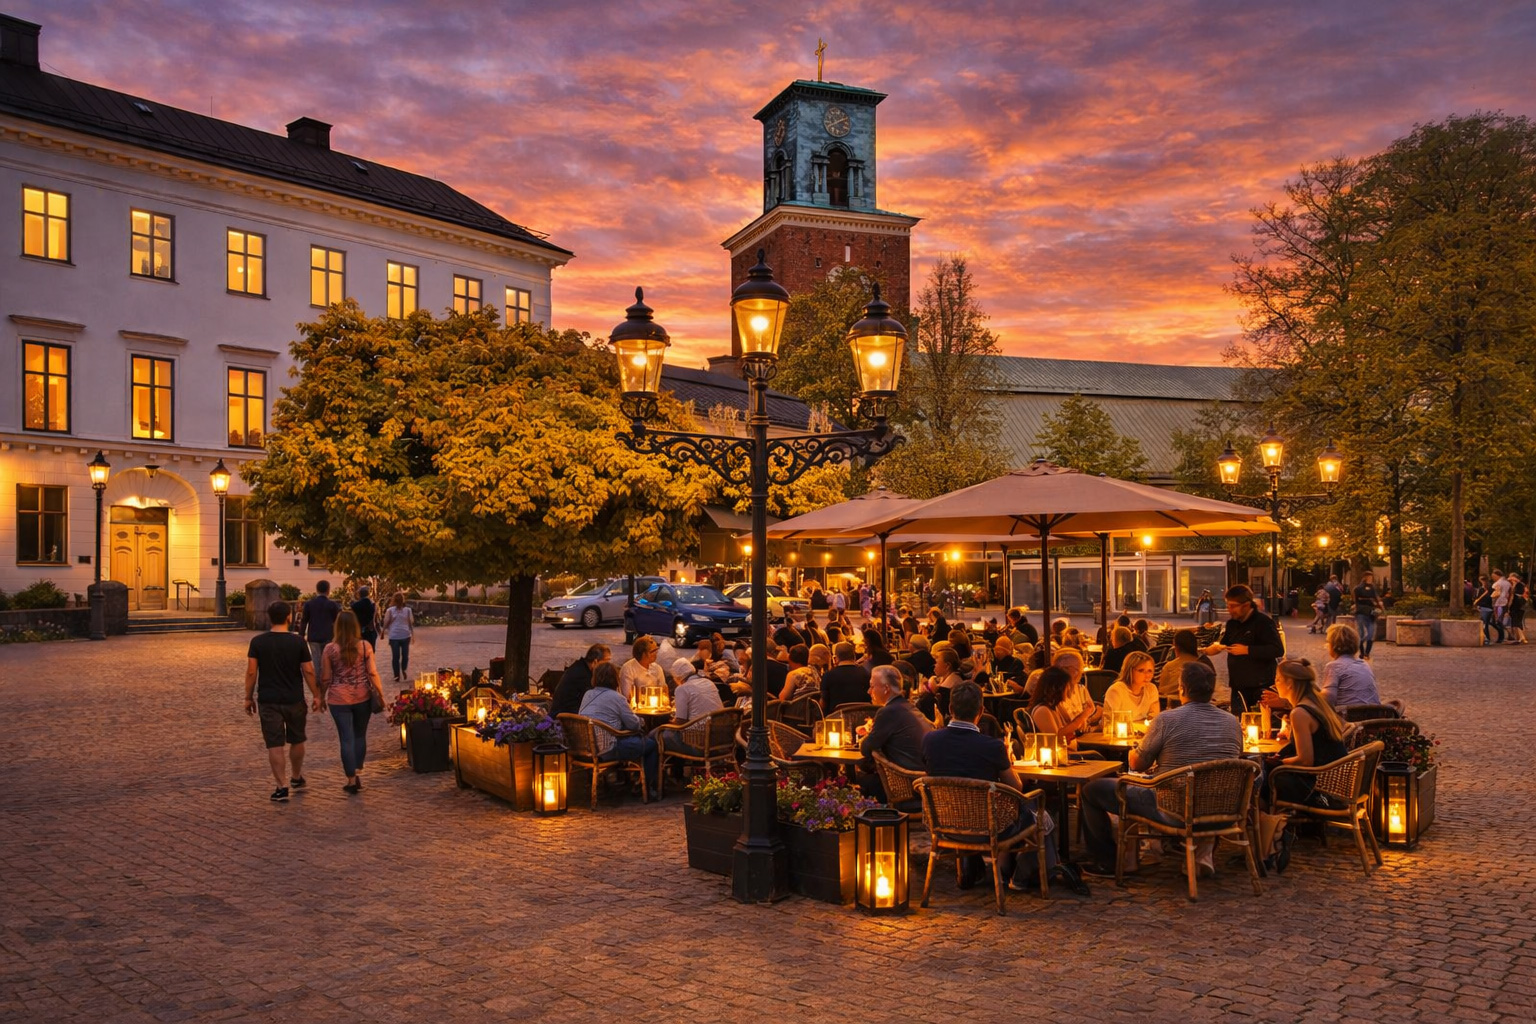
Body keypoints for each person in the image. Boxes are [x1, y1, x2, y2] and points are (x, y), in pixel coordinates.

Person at [1078, 661, 1241, 878]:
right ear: (1211, 689)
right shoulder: (1232, 723)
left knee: (1092, 790)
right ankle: (1189, 855)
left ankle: (1108, 861)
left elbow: (1137, 764)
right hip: (1225, 811)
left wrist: (1135, 750)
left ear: (1181, 689)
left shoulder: (1167, 719)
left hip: (1175, 810)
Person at [923, 681, 1073, 893]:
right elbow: (1016, 788)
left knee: (1015, 808)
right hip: (989, 827)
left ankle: (1001, 869)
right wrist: (1006, 761)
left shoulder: (930, 740)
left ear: (950, 709)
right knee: (1039, 812)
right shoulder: (991, 746)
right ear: (981, 711)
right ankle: (1023, 876)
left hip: (943, 824)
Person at [243, 600, 321, 802]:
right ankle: (296, 776)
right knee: (297, 739)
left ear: (269, 617)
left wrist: (247, 697)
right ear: (289, 617)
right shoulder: (298, 642)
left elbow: (252, 672)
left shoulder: (258, 642)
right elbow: (308, 670)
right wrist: (317, 695)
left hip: (268, 700)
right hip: (294, 698)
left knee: (274, 744)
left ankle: (281, 786)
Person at [1267, 658, 1349, 805]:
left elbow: (1305, 761)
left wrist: (1280, 762)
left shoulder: (1299, 713)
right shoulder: (1317, 702)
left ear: (1290, 683)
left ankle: (1272, 824)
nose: (1274, 684)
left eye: (1278, 679)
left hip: (1322, 791)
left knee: (1263, 778)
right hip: (1337, 782)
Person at [319, 609, 382, 794]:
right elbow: (372, 672)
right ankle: (357, 768)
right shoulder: (365, 646)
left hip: (338, 699)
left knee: (346, 738)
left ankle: (351, 779)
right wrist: (380, 693)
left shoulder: (330, 649)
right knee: (360, 735)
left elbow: (325, 678)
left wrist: (321, 697)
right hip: (362, 696)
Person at [578, 662, 659, 799]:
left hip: (584, 746)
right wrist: (642, 721)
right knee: (652, 744)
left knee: (628, 739)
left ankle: (624, 779)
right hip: (606, 748)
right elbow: (633, 725)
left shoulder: (588, 694)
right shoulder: (617, 698)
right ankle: (646, 786)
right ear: (615, 679)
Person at [854, 665, 933, 801]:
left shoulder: (888, 712)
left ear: (886, 689)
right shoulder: (906, 706)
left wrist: (867, 736)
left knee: (858, 777)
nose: (868, 691)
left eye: (872, 686)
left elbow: (865, 748)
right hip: (924, 778)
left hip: (908, 785)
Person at [1203, 584, 1284, 714]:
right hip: (1238, 685)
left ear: (1246, 605)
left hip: (1260, 685)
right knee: (1238, 721)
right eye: (1228, 605)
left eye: (1233, 606)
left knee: (1259, 722)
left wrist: (1248, 650)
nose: (1229, 609)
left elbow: (1277, 649)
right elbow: (1225, 644)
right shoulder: (1232, 623)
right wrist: (1215, 648)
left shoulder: (1263, 622)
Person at [1318, 623, 1382, 708]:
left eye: (1328, 643)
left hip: (1349, 715)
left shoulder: (1334, 666)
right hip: (1373, 713)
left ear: (1334, 646)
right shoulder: (1364, 664)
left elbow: (1328, 699)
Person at [552, 643, 610, 717]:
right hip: (566, 717)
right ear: (595, 662)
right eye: (606, 662)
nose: (608, 666)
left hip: (568, 712)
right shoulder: (582, 675)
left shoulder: (581, 667)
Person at [1158, 628, 1213, 706]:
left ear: (1176, 647)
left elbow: (1162, 691)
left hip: (1174, 706)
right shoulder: (1205, 665)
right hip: (1201, 707)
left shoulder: (1169, 666)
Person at [297, 580, 340, 672]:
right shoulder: (332, 604)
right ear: (328, 590)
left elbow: (304, 621)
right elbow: (337, 621)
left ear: (317, 590)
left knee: (317, 663)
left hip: (313, 636)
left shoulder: (309, 604)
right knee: (328, 662)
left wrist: (301, 635)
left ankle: (318, 682)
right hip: (328, 636)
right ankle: (327, 680)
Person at [1103, 650, 1160, 720]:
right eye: (1141, 671)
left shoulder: (1151, 689)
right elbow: (1108, 722)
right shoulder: (1116, 691)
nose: (1147, 675)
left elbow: (1154, 718)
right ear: (1129, 671)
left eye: (1150, 671)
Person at [821, 641, 871, 711]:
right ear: (854, 656)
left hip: (836, 719)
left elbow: (823, 704)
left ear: (835, 659)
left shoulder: (828, 676)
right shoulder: (865, 673)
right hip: (863, 717)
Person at [380, 592, 415, 683]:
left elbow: (386, 622)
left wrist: (383, 631)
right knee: (405, 655)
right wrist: (412, 634)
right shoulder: (407, 610)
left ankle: (397, 675)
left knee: (395, 656)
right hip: (404, 635)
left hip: (395, 636)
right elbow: (411, 622)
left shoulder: (390, 610)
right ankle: (403, 669)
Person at [1352, 570, 1384, 658]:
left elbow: (1376, 597)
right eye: (1369, 577)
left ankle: (1367, 653)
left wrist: (1379, 603)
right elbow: (1357, 600)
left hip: (1371, 613)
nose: (1371, 579)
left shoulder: (1372, 588)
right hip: (1362, 613)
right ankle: (1362, 652)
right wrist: (1371, 601)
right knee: (1361, 634)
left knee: (1370, 634)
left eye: (1371, 577)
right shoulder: (1358, 588)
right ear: (1365, 578)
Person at [1475, 576, 1504, 645]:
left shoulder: (1488, 589)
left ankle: (1487, 639)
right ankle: (1499, 636)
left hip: (1486, 608)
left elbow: (1492, 598)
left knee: (1485, 624)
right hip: (1485, 607)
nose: (1483, 582)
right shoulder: (1483, 589)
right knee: (1489, 623)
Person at [351, 585, 378, 650]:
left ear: (359, 594)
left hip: (359, 630)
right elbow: (375, 618)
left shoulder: (355, 605)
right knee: (370, 650)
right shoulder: (373, 605)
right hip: (370, 630)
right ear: (368, 594)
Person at [1509, 572, 1529, 644]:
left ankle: (1521, 637)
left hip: (1516, 605)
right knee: (1518, 621)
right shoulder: (1523, 585)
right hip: (1522, 605)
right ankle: (1521, 637)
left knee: (1516, 621)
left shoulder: (1517, 585)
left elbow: (1514, 594)